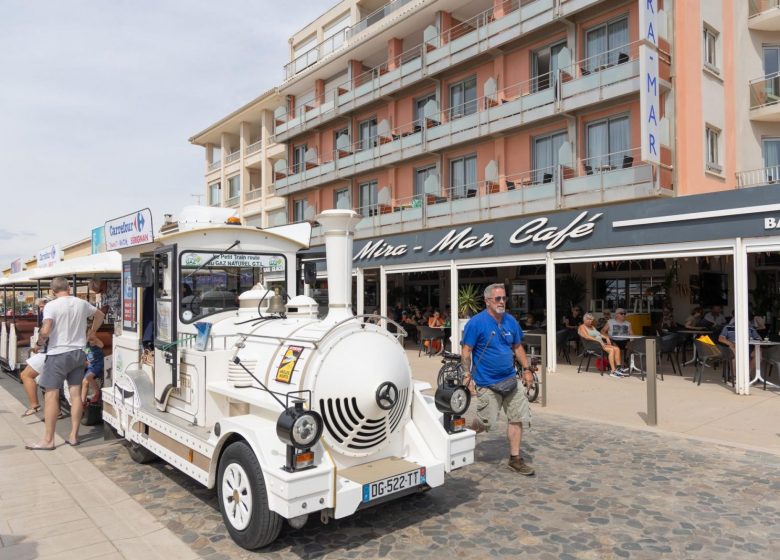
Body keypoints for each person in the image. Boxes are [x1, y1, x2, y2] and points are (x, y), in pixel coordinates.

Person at [461, 283, 535, 476]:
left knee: (517, 418)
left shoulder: (510, 321)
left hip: (510, 379)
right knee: (486, 424)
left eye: (504, 298)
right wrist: (466, 375)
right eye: (498, 299)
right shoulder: (476, 323)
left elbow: (517, 347)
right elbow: (467, 350)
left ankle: (515, 459)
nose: (502, 302)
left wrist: (527, 370)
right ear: (487, 301)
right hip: (487, 383)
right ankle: (465, 433)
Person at [26, 277, 104, 450]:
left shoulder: (51, 305)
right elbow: (100, 315)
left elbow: (46, 330)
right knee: (75, 394)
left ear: (53, 291)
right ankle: (74, 436)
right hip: (78, 353)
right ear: (69, 287)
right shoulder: (81, 303)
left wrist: (38, 344)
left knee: (51, 395)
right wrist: (91, 333)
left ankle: (48, 440)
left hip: (58, 354)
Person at [20, 297, 51, 417]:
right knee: (47, 383)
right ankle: (56, 411)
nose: (41, 309)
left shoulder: (49, 317)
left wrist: (37, 345)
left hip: (50, 353)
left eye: (42, 306)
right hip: (57, 352)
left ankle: (34, 404)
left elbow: (45, 334)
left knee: (25, 375)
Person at [579, 313, 625, 377]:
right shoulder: (582, 327)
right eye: (589, 319)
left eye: (591, 320)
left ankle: (619, 368)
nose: (590, 321)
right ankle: (613, 371)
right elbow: (587, 337)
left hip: (599, 344)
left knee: (617, 348)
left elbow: (599, 334)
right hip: (591, 345)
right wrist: (598, 340)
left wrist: (606, 338)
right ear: (584, 319)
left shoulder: (592, 327)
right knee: (611, 350)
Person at [81, 331, 105, 406]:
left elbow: (101, 345)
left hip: (98, 364)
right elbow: (85, 353)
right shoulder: (85, 344)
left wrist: (94, 339)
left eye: (89, 333)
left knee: (88, 378)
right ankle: (82, 402)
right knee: (84, 381)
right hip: (90, 365)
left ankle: (97, 393)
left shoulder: (95, 341)